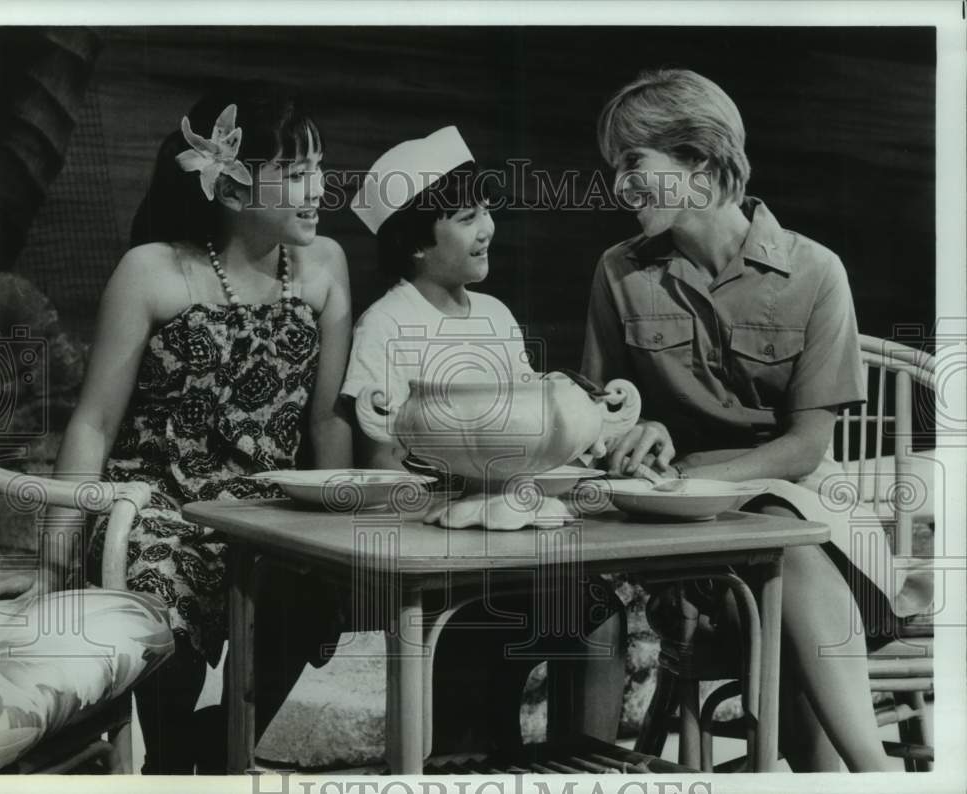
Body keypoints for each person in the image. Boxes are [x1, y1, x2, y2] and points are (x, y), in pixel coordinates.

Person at [582, 68, 932, 772]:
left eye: (632, 163)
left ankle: (867, 769)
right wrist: (629, 433)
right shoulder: (618, 273)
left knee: (784, 553)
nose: (617, 186)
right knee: (766, 592)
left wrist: (681, 471)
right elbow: (599, 417)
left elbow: (803, 449)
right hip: (684, 540)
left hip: (811, 519)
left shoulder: (815, 272)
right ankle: (871, 772)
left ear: (700, 163)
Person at [41, 81, 353, 773]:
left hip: (270, 509)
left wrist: (340, 528)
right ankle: (175, 760)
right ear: (232, 186)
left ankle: (196, 764)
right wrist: (60, 551)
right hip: (155, 505)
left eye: (318, 168)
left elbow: (327, 418)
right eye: (296, 174)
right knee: (159, 592)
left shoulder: (326, 267)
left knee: (311, 591)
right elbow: (93, 423)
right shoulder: (152, 271)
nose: (318, 188)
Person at [343, 127, 627, 752]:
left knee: (602, 616)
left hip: (516, 538)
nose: (487, 227)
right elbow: (381, 458)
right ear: (417, 243)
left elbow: (533, 426)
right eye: (466, 216)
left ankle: (589, 763)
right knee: (476, 673)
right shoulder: (386, 324)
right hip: (444, 559)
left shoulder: (495, 316)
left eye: (486, 210)